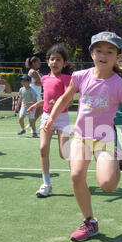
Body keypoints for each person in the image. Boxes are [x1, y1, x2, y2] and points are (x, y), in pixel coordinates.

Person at [43, 31, 122, 242]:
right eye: (98, 50)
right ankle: (90, 222)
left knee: (108, 185)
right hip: (80, 136)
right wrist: (51, 118)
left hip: (104, 140)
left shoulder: (120, 87)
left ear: (118, 56)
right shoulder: (80, 77)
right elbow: (65, 98)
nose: (103, 55)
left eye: (109, 51)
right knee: (76, 175)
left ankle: (118, 158)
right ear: (91, 53)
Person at [27, 43, 73, 197]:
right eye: (52, 59)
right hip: (47, 117)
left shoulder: (67, 78)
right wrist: (37, 104)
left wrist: (59, 102)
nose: (55, 62)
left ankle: (78, 178)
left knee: (64, 153)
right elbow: (47, 99)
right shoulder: (45, 79)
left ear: (64, 63)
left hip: (62, 117)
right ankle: (46, 184)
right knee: (43, 148)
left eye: (58, 59)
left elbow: (69, 99)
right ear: (48, 62)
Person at [25, 56, 43, 136]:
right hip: (33, 94)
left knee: (40, 110)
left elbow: (41, 82)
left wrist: (41, 80)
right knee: (34, 111)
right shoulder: (33, 72)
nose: (40, 63)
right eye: (38, 61)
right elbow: (41, 82)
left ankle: (31, 125)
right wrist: (41, 81)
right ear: (33, 63)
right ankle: (33, 129)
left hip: (37, 93)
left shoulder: (36, 72)